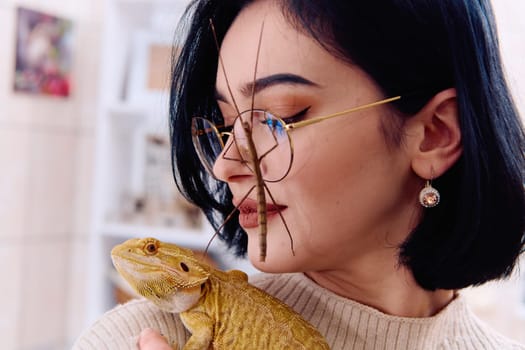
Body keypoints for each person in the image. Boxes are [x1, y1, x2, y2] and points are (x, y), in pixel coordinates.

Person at [74, 0, 525, 349]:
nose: (224, 165)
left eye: (277, 118)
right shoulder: (142, 337)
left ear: (434, 134)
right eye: (227, 125)